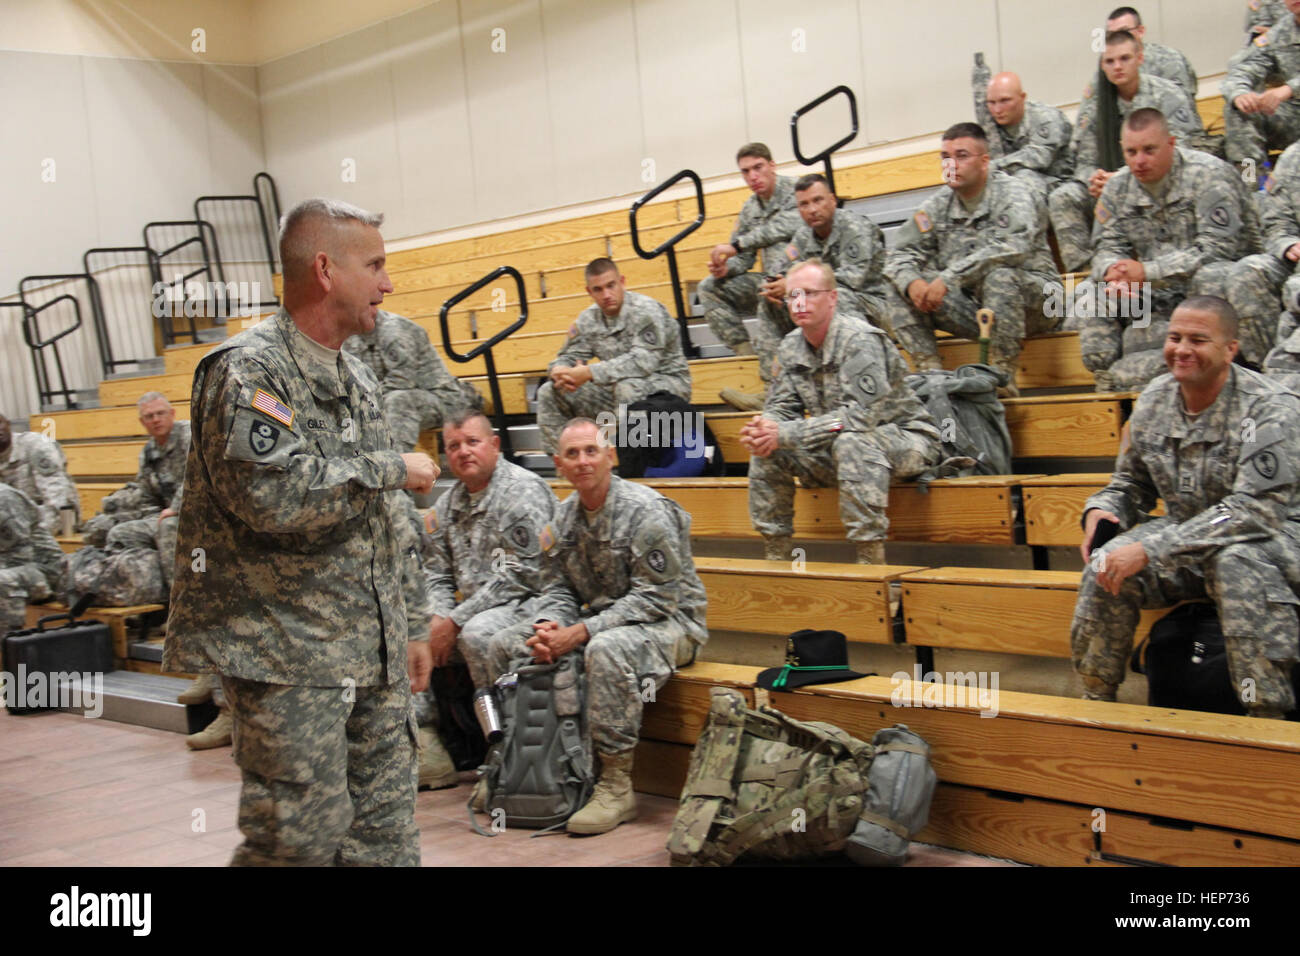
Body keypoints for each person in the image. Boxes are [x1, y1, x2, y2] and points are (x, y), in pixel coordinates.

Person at [162, 197, 440, 866]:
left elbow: (386, 519)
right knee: (297, 843)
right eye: (374, 265)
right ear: (324, 269)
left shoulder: (359, 376)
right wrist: (390, 467)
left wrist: (410, 623)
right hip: (286, 657)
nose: (387, 283)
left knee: (386, 841)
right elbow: (276, 499)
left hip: (370, 652)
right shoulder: (247, 371)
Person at [1070, 295, 1300, 718]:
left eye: (1198, 339)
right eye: (1174, 337)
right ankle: (1097, 702)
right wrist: (1101, 511)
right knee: (1103, 563)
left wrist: (1150, 549)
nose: (1181, 349)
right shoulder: (1155, 399)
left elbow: (1255, 511)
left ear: (1230, 349)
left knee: (1238, 562)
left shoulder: (1270, 408)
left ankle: (1267, 716)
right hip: (1189, 535)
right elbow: (1131, 483)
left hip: (1275, 539)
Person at [485, 417, 707, 835]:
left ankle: (616, 785)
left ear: (612, 456)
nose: (583, 461)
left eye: (592, 451)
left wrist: (581, 632)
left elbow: (658, 598)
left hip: (672, 624)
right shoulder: (562, 520)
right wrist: (551, 626)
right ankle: (512, 766)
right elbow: (557, 589)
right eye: (572, 454)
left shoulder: (646, 510)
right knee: (503, 643)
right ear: (559, 464)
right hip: (604, 622)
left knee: (604, 649)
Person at [742, 260, 941, 565]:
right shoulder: (790, 345)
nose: (799, 303)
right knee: (767, 450)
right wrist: (765, 427)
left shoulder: (859, 339)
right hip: (837, 443)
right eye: (793, 295)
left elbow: (859, 418)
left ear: (832, 298)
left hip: (905, 440)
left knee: (851, 442)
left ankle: (871, 566)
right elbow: (782, 405)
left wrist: (787, 433)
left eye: (809, 293)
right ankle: (776, 557)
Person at [416, 409, 557, 787]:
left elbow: (525, 572)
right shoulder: (447, 505)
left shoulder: (521, 490)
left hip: (537, 602)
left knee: (477, 633)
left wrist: (455, 620)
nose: (463, 452)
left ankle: (504, 746)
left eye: (473, 442)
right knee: (410, 627)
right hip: (475, 610)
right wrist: (437, 618)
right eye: (454, 446)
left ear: (495, 445)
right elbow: (436, 573)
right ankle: (428, 743)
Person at [1081, 109, 1261, 392]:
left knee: (1213, 275)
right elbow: (1105, 246)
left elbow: (1218, 250)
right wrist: (1114, 271)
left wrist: (1147, 271)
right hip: (1155, 292)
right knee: (1091, 290)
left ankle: (1244, 374)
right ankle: (1110, 389)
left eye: (1149, 150)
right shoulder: (1117, 187)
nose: (1139, 160)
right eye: (1131, 152)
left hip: (1211, 285)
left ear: (1172, 143)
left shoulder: (1209, 175)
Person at [882, 122, 1059, 392]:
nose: (951, 165)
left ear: (985, 161)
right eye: (945, 157)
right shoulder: (939, 205)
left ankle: (1001, 376)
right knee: (899, 284)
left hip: (1039, 304)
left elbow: (1013, 247)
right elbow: (899, 254)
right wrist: (912, 283)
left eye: (961, 156)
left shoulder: (1013, 193)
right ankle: (931, 376)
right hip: (979, 312)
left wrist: (949, 277)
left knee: (999, 276)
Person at [1049, 29, 1207, 272]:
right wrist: (1095, 179)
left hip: (1162, 182)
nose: (1117, 67)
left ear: (1140, 58)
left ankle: (1162, 265)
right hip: (1108, 188)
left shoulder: (1168, 95)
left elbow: (1181, 151)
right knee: (1062, 197)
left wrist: (1123, 178)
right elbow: (1084, 159)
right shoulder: (1096, 106)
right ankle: (1091, 272)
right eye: (1109, 61)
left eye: (1124, 58)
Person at [534, 258, 691, 454]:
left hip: (668, 387)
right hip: (617, 391)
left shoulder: (645, 310)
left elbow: (643, 362)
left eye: (611, 285)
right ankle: (564, 465)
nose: (606, 295)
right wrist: (559, 370)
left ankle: (622, 461)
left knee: (627, 387)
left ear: (622, 282)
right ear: (589, 292)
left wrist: (590, 372)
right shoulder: (588, 319)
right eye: (598, 289)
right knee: (549, 391)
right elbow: (568, 355)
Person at [696, 142, 801, 403]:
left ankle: (770, 394)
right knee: (709, 287)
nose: (753, 176)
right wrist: (725, 268)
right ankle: (745, 354)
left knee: (770, 283)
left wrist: (737, 245)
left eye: (758, 167)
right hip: (771, 287)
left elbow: (780, 228)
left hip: (805, 285)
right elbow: (743, 258)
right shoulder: (750, 209)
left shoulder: (798, 191)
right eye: (745, 171)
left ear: (772, 165)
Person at [342, 308, 481, 451]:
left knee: (398, 400)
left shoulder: (395, 330)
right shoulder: (348, 335)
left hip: (443, 401)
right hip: (383, 402)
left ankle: (396, 464)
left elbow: (401, 382)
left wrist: (363, 401)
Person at [82, 393, 188, 574]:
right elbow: (146, 496)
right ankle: (150, 586)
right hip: (167, 516)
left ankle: (178, 597)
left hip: (200, 514)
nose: (156, 420)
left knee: (168, 527)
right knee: (120, 533)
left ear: (172, 413)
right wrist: (151, 517)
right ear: (142, 422)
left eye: (161, 413)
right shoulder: (148, 453)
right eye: (149, 416)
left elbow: (198, 477)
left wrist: (175, 508)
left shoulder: (190, 436)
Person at [775, 174, 888, 327]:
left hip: (876, 304)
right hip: (826, 299)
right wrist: (772, 285)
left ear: (832, 200)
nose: (812, 210)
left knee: (833, 298)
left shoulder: (855, 227)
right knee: (775, 302)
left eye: (817, 200)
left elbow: (851, 279)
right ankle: (790, 349)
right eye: (804, 204)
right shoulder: (803, 235)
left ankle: (856, 349)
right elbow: (781, 269)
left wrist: (793, 285)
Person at [1226, 139, 1300, 365]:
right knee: (1246, 273)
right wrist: (1288, 244)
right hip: (1293, 261)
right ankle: (1265, 372)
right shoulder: (1293, 157)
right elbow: (1277, 223)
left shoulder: (1204, 171)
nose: (1140, 160)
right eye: (1131, 152)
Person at [971, 57, 1074, 202]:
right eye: (992, 103)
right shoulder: (992, 128)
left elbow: (1039, 157)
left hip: (1061, 186)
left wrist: (994, 166)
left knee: (1023, 178)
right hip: (1023, 187)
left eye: (1005, 101)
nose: (997, 109)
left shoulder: (1045, 117)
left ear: (1022, 97)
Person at [1222, 0, 1300, 169]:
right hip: (1295, 116)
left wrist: (1289, 89)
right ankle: (1250, 183)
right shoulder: (1282, 31)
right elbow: (1245, 66)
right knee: (1241, 110)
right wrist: (1239, 93)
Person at [0, 482, 65, 633]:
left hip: (44, 570)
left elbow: (19, 557)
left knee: (2, 581)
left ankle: (8, 644)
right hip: (14, 568)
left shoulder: (4, 498)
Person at [0, 416, 79, 534]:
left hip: (54, 519)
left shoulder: (36, 445)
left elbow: (57, 496)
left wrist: (38, 532)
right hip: (16, 525)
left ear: (8, 424)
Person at [1104, 6, 1198, 99]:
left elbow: (1183, 102)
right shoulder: (1109, 65)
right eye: (1112, 34)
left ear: (1140, 31)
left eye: (1124, 31)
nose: (1118, 38)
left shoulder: (1169, 59)